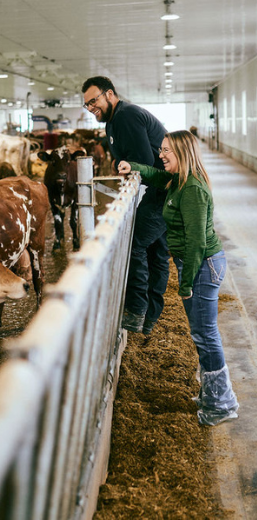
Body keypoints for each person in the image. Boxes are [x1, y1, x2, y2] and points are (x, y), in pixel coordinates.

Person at [117, 131, 240, 426]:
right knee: (202, 333)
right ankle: (213, 395)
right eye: (161, 150)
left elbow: (197, 241)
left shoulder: (193, 190)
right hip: (197, 265)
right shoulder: (178, 180)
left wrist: (185, 284)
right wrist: (132, 166)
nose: (161, 155)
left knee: (206, 334)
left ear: (183, 153)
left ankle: (221, 404)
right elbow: (155, 175)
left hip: (203, 266)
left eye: (167, 150)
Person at [82, 76, 170, 336]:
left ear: (109, 94)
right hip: (160, 189)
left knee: (135, 245)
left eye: (93, 100)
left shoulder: (125, 116)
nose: (90, 108)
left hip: (162, 190)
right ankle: (150, 316)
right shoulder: (114, 121)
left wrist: (127, 167)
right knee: (157, 252)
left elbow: (142, 160)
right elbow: (128, 160)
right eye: (86, 104)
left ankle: (136, 310)